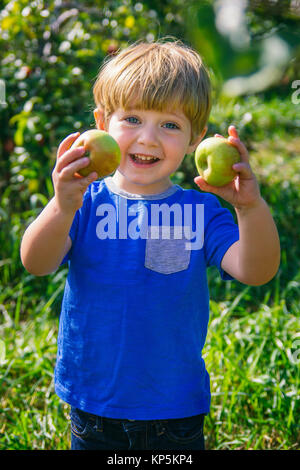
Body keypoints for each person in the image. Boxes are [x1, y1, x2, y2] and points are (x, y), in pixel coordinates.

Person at [20, 39, 280, 450]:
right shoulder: (84, 202)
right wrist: (61, 203)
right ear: (101, 123)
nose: (149, 138)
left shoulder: (200, 209)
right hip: (94, 404)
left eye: (170, 125)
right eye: (133, 119)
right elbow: (35, 263)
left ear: (196, 138)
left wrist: (249, 208)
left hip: (174, 410)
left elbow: (257, 270)